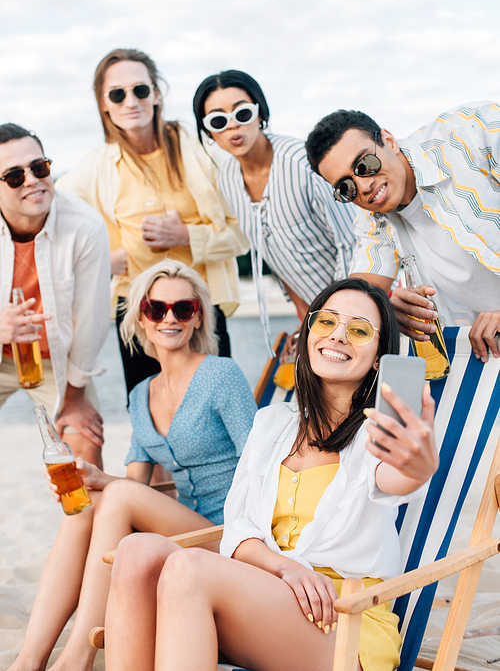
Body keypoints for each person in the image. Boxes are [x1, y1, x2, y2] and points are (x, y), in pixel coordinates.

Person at [103, 278, 438, 671]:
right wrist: (284, 567)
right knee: (136, 551)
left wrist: (420, 465)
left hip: (344, 618)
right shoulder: (273, 423)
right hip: (271, 593)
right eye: (326, 322)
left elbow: (397, 478)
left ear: (379, 358)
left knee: (187, 567)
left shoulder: (374, 435)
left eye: (360, 330)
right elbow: (239, 528)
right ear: (309, 331)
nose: (339, 336)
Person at [7, 259, 256, 671]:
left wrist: (114, 487)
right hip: (186, 530)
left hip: (230, 536)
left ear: (198, 319)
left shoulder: (221, 375)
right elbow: (134, 486)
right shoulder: (140, 395)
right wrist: (96, 480)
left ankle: (78, 657)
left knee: (114, 496)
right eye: (156, 309)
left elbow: (260, 466)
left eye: (183, 308)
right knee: (91, 502)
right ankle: (30, 658)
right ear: (141, 319)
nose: (169, 318)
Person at [57, 48, 249, 395]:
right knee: (147, 412)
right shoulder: (95, 166)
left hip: (199, 310)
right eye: (117, 94)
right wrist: (101, 256)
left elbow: (245, 231)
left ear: (156, 93)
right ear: (104, 105)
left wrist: (187, 235)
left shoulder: (201, 150)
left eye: (140, 90)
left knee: (216, 406)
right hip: (137, 314)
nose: (130, 101)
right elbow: (46, 211)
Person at [305, 103, 500, 364]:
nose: (363, 186)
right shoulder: (371, 217)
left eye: (365, 164)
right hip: (486, 352)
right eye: (346, 186)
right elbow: (356, 301)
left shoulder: (472, 133)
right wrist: (384, 309)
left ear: (388, 140)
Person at [193, 70, 357, 355]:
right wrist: (306, 318)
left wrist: (335, 321)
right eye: (218, 120)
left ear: (260, 113)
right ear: (209, 132)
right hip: (314, 320)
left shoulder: (304, 165)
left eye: (242, 113)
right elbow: (273, 255)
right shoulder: (227, 178)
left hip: (358, 312)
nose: (233, 126)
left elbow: (353, 244)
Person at [0, 123, 110, 467]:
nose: (32, 179)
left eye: (39, 167)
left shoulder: (86, 227)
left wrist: (75, 395)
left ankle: (89, 522)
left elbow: (90, 324)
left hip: (56, 363)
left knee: (85, 450)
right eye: (14, 176)